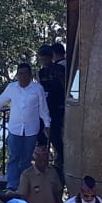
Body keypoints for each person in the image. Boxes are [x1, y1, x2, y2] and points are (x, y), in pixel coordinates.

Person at [0, 62, 51, 190]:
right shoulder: (12, 88)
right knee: (14, 157)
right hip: (15, 128)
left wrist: (47, 123)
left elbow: (43, 109)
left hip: (31, 129)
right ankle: (12, 185)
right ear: (17, 75)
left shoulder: (37, 89)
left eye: (26, 74)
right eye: (20, 74)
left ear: (30, 75)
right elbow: (0, 101)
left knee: (26, 159)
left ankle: (24, 186)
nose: (23, 77)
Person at [36, 45, 66, 175]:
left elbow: (65, 87)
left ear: (51, 57)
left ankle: (61, 159)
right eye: (41, 58)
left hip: (57, 106)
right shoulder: (39, 73)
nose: (44, 60)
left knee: (55, 135)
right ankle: (41, 158)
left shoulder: (59, 70)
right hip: (44, 107)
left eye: (46, 57)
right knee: (40, 132)